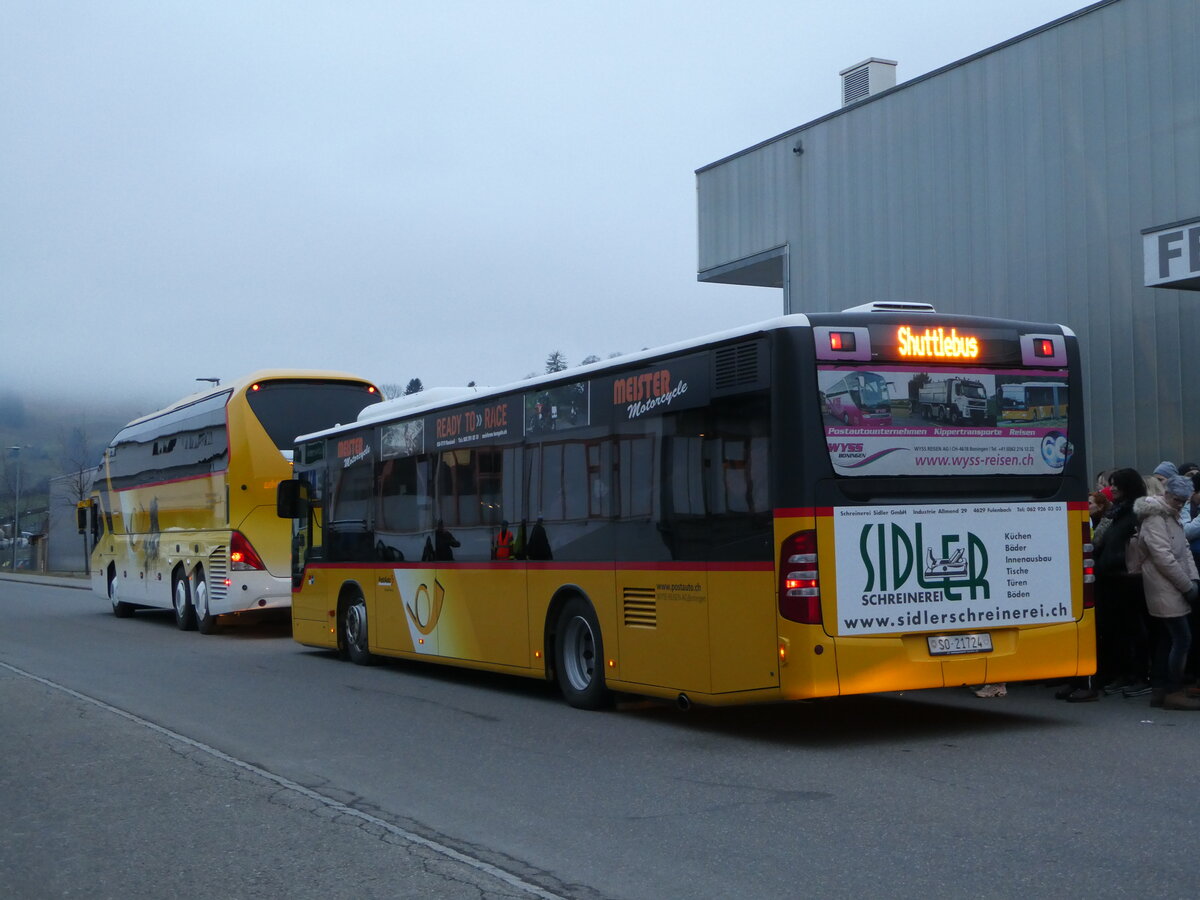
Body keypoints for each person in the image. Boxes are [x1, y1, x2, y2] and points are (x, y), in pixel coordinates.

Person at [1134, 475, 1200, 710]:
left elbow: (1184, 550)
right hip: (1164, 585)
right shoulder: (1156, 517)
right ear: (1167, 494)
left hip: (1172, 583)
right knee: (1182, 638)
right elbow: (1163, 557)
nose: (1180, 504)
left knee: (1167, 638)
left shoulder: (1170, 514)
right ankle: (1173, 690)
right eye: (1177, 499)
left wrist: (1193, 578)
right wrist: (1187, 584)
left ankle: (1161, 689)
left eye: (1184, 500)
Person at [1092, 467, 1151, 698]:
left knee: (1134, 629)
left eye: (1117, 484)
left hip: (1128, 579)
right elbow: (1100, 540)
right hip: (1110, 578)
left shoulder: (1137, 512)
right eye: (1111, 483)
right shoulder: (1115, 512)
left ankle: (1139, 675)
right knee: (1117, 630)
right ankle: (1122, 673)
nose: (1112, 488)